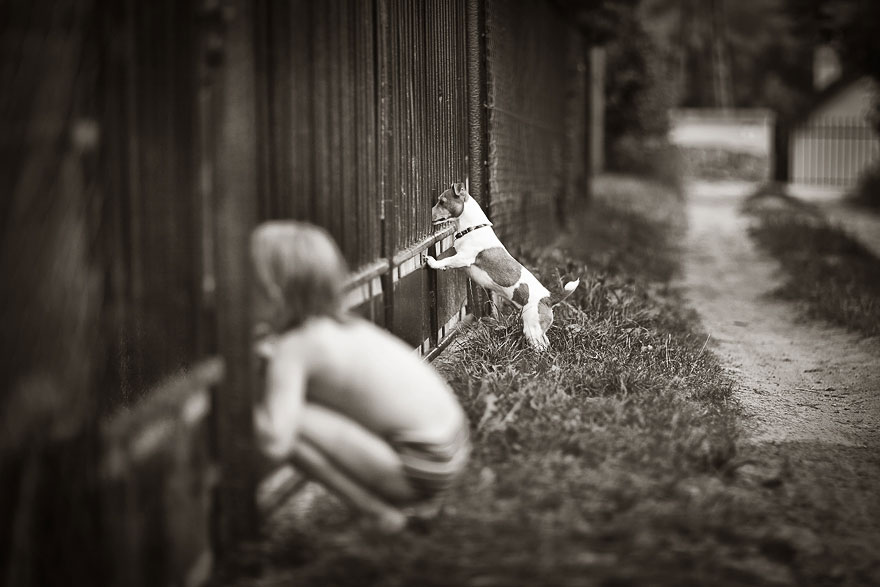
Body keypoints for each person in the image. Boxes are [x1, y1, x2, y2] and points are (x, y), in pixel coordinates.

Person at [250, 221, 470, 532]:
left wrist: (239, 394)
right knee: (301, 408)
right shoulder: (340, 327)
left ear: (273, 294)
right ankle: (397, 511)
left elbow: (274, 443)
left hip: (426, 465)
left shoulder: (294, 347)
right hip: (450, 447)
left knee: (287, 421)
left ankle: (380, 515)